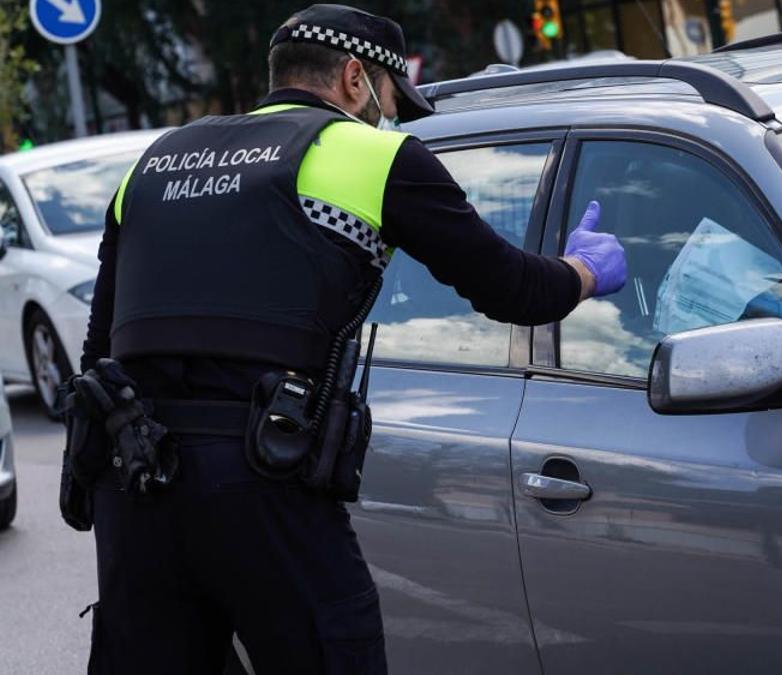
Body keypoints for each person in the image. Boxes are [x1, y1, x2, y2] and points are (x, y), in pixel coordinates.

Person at [76, 4, 626, 673]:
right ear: (355, 79)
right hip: (263, 485)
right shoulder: (372, 154)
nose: (388, 117)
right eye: (391, 100)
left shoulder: (153, 163)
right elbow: (514, 290)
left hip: (137, 487)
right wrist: (586, 270)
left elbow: (98, 352)